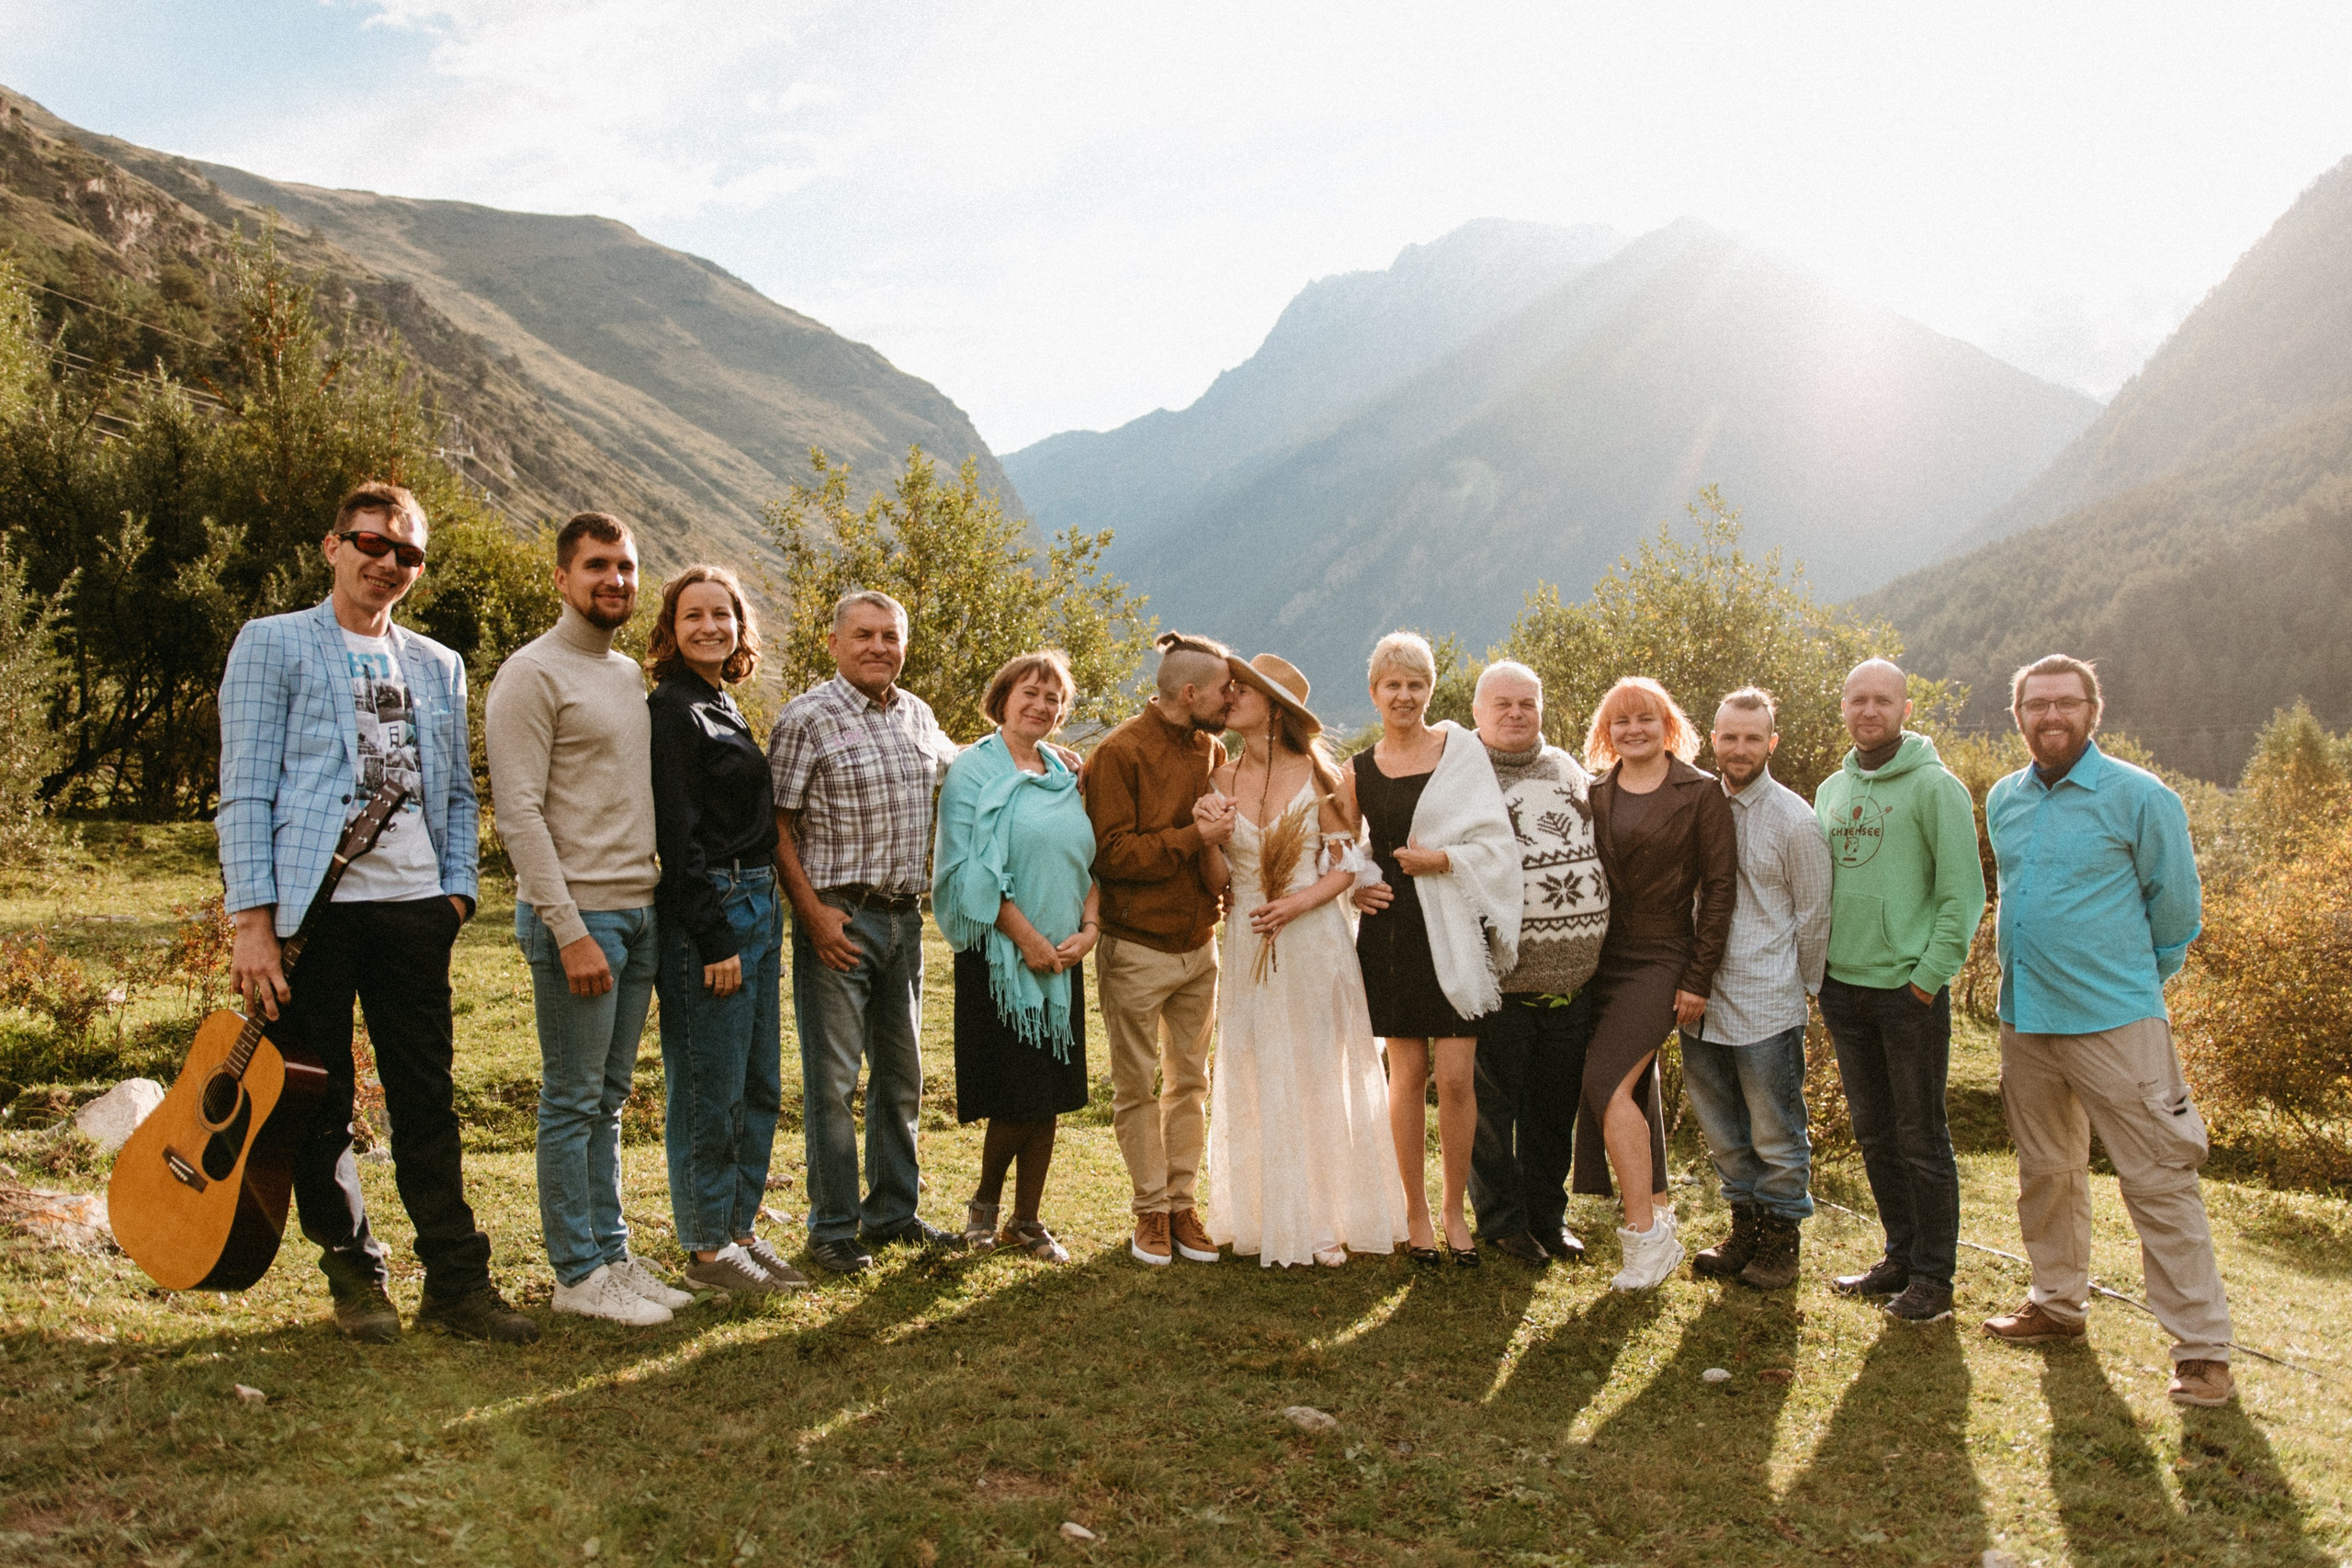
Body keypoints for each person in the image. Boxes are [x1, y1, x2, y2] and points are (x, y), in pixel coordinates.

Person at [219, 481, 535, 1345]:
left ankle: (458, 1284)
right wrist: (253, 921)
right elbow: (243, 789)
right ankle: (355, 1277)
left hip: (411, 911)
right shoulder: (272, 644)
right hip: (309, 916)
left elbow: (457, 792)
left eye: (407, 553)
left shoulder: (438, 663)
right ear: (333, 546)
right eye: (372, 543)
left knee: (427, 1097)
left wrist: (456, 892)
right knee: (319, 1100)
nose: (388, 563)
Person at [1981, 655, 2232, 1407]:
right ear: (2017, 715)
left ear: (2094, 710)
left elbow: (2177, 911)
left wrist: (2129, 981)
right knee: (2047, 1171)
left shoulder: (2141, 796)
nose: (2050, 716)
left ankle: (2202, 1349)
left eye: (2065, 702)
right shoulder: (2005, 798)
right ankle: (2057, 1304)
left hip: (2117, 1024)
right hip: (2025, 1019)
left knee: (2159, 1177)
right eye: (2036, 704)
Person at [487, 512, 685, 1326]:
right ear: (562, 578)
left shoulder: (622, 674)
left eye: (628, 568)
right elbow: (518, 812)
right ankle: (576, 1273)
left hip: (637, 910)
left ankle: (612, 1254)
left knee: (606, 1100)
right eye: (598, 565)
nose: (616, 580)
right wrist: (567, 928)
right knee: (571, 1101)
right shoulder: (532, 674)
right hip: (581, 919)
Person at [768, 590, 965, 1274]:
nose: (879, 646)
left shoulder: (917, 712)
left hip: (905, 917)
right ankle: (830, 1226)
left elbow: (962, 763)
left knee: (901, 1074)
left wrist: (1036, 752)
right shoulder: (806, 718)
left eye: (890, 635)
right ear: (834, 642)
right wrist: (812, 914)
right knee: (833, 1079)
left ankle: (893, 1213)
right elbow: (777, 827)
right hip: (838, 916)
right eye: (864, 634)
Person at [1202, 653, 1409, 1268]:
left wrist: (1295, 904)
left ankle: (1322, 1216)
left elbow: (1347, 864)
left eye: (1244, 690)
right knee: (1256, 1061)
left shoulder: (1322, 778)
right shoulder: (1218, 781)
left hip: (1312, 935)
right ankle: (1265, 1212)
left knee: (1317, 1068)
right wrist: (1210, 841)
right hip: (1247, 936)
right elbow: (1218, 879)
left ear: (1276, 708)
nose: (1230, 695)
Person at [646, 566, 806, 1296]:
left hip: (758, 898)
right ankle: (709, 1249)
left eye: (723, 614)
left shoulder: (722, 703)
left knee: (757, 1080)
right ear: (671, 628)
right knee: (710, 1086)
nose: (710, 626)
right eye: (694, 615)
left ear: (741, 626)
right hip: (715, 906)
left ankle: (741, 1229)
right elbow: (676, 837)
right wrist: (713, 939)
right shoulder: (673, 710)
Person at [1814, 658, 1987, 1324]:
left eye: (1882, 699)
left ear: (1906, 708)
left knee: (1921, 1136)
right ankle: (1899, 1257)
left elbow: (1963, 894)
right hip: (1844, 988)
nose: (1869, 710)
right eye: (1857, 699)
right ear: (1844, 708)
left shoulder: (1936, 787)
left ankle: (1935, 1280)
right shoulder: (1832, 789)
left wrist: (1926, 979)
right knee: (1874, 1133)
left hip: (1906, 993)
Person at [1343, 631, 1520, 1265]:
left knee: (1456, 1078)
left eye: (1416, 683)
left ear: (1430, 689)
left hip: (1449, 923)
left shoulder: (1460, 752)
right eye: (1393, 684)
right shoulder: (1357, 769)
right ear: (1374, 692)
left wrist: (1443, 858)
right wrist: (1358, 886)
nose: (1405, 694)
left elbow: (1496, 842)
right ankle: (1414, 1210)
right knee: (1407, 1076)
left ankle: (1454, 1209)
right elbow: (1335, 847)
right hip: (1391, 931)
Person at [933, 650, 1100, 1266]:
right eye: (1031, 692)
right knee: (1016, 1095)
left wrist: (1089, 927)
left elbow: (1087, 860)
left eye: (1054, 698)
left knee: (1050, 1091)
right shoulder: (973, 770)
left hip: (1061, 953)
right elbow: (969, 865)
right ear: (1002, 697)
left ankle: (1027, 1220)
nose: (1042, 705)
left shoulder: (1065, 770)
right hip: (1002, 955)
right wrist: (1025, 936)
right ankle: (984, 1203)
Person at [1081, 632, 1237, 1267]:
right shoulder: (1119, 752)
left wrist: (1211, 850)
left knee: (1191, 1081)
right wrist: (1190, 835)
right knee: (1136, 1086)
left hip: (1201, 946)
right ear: (1191, 692)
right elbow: (1111, 854)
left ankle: (1181, 1202)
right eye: (1226, 690)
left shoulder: (1213, 748)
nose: (1234, 699)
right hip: (1136, 945)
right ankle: (1148, 1209)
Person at [1579, 677, 1737, 1291]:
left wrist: (1698, 976)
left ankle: (1644, 1241)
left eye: (1644, 718)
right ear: (1607, 731)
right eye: (1621, 721)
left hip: (1666, 955)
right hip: (1604, 955)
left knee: (1605, 1083)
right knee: (1633, 1084)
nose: (1633, 729)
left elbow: (1720, 890)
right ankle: (1662, 1213)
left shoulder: (1700, 794)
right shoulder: (1596, 792)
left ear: (1666, 723)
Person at [1681, 687, 1832, 1291]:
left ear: (1771, 742)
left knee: (1775, 1129)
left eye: (1752, 737)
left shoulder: (1795, 821)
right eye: (1729, 736)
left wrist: (1802, 991)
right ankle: (1742, 1228)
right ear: (1711, 738)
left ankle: (1781, 1241)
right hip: (1700, 1001)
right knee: (1722, 1130)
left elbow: (1814, 916)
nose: (1739, 748)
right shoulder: (1694, 804)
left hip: (1766, 999)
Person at [1463, 661, 1610, 1268]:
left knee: (1554, 1111)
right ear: (1478, 712)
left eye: (1528, 702)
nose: (1516, 713)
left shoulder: (1568, 769)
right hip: (1499, 982)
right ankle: (1502, 1221)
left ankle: (1549, 1216)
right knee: (1493, 1113)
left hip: (1573, 981)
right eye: (1503, 703)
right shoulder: (1460, 774)